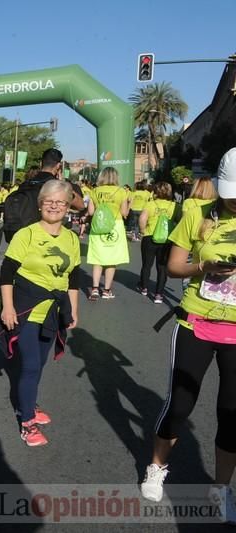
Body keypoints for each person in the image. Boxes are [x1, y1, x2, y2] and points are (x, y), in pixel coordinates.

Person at [140, 149, 236, 521]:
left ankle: (221, 487)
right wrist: (204, 265)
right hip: (196, 322)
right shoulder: (197, 213)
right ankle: (156, 468)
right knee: (180, 405)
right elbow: (174, 265)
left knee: (231, 414)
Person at [0, 180, 80, 447]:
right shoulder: (26, 234)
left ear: (67, 207)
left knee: (39, 364)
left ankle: (29, 401)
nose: (54, 206)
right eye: (49, 201)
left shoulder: (72, 238)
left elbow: (73, 277)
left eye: (60, 202)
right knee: (30, 365)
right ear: (41, 204)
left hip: (53, 310)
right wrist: (7, 307)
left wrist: (73, 309)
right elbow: (6, 272)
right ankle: (27, 423)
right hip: (26, 308)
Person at [86, 167, 130, 300]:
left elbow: (91, 212)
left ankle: (94, 288)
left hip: (99, 225)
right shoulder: (122, 191)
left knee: (97, 258)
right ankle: (106, 290)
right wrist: (129, 204)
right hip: (115, 226)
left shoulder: (94, 191)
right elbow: (124, 214)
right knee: (112, 260)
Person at [137, 182, 181, 304]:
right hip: (167, 240)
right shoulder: (175, 206)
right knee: (162, 267)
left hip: (150, 237)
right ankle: (159, 294)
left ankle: (144, 287)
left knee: (147, 264)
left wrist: (142, 230)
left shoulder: (150, 204)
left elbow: (142, 219)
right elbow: (180, 222)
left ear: (155, 191)